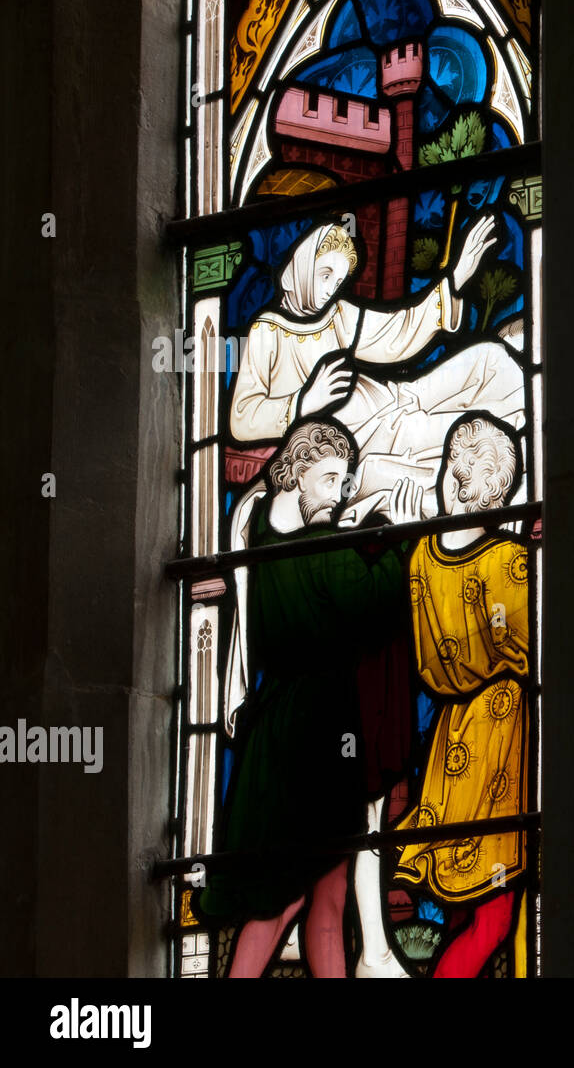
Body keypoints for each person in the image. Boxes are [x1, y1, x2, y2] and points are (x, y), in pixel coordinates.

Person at [199, 421, 423, 977]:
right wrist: (398, 535)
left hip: (279, 725)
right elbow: (376, 601)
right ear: (296, 476)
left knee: (327, 889)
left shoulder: (263, 541)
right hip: (316, 733)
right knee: (292, 895)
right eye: (327, 478)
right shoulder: (322, 550)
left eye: (343, 479)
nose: (337, 490)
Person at [229, 217, 525, 524]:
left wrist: (455, 279)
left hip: (395, 397)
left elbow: (397, 334)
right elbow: (241, 418)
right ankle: (522, 433)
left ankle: (528, 405)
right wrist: (304, 403)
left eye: (338, 281)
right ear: (301, 268)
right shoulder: (268, 332)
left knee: (488, 356)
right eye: (325, 274)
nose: (329, 290)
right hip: (365, 435)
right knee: (472, 428)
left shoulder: (338, 314)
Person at [393, 414, 531, 978]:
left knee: (465, 906)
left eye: (469, 467)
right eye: (457, 464)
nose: (458, 476)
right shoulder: (510, 561)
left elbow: (430, 661)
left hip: (452, 746)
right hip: (500, 744)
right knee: (494, 917)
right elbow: (531, 649)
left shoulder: (424, 557)